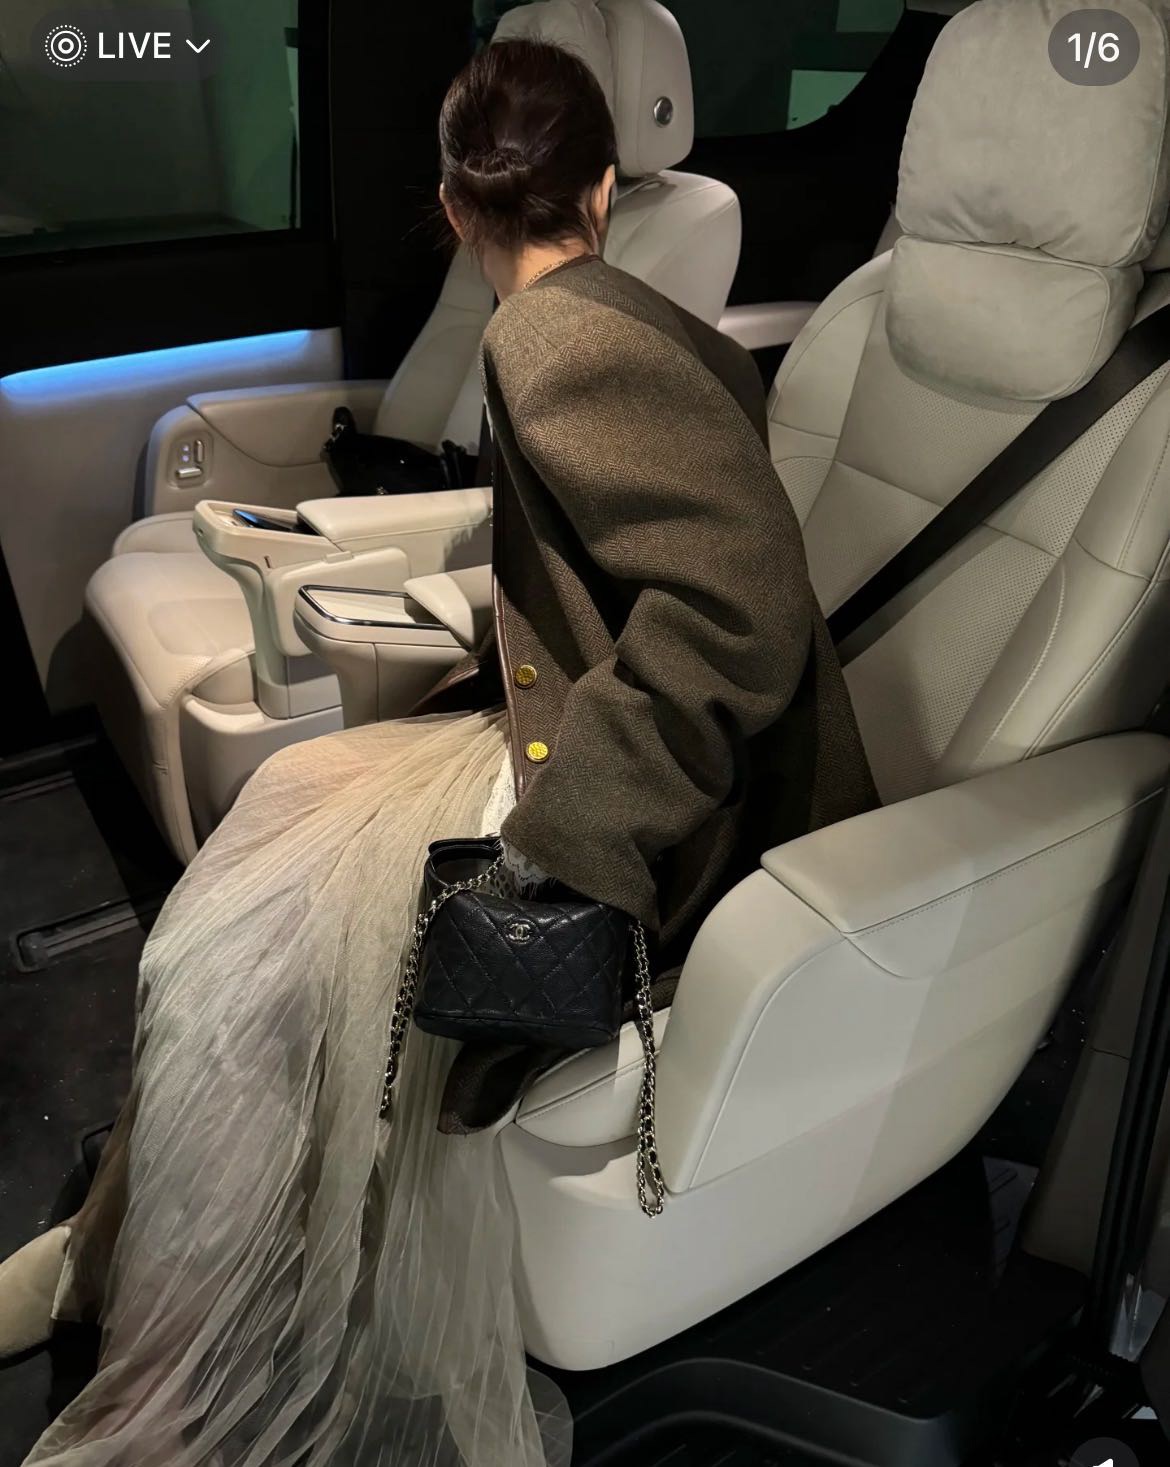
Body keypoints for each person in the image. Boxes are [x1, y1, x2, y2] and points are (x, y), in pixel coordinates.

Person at [0, 35, 876, 1467]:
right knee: (271, 836)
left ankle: (173, 1363)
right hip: (580, 728)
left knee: (232, 951)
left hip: (644, 799)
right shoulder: (621, 313)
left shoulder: (555, 338)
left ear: (457, 209)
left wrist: (563, 839)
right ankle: (130, 1244)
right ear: (604, 187)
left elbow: (739, 616)